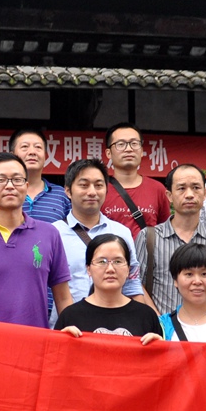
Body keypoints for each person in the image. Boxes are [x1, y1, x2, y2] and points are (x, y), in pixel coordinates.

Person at [0, 152, 73, 328]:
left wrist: (72, 329)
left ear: (26, 186)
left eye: (17, 180)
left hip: (34, 339)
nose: (10, 186)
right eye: (0, 180)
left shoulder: (49, 234)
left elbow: (63, 296)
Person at [53, 158, 153, 315]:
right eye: (84, 185)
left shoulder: (121, 232)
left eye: (98, 185)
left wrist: (143, 320)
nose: (92, 192)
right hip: (67, 325)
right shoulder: (53, 233)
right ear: (68, 191)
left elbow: (132, 285)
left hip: (115, 324)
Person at [135, 163, 206, 315]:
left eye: (196, 187)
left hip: (205, 325)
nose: (189, 194)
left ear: (205, 193)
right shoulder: (149, 237)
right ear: (169, 196)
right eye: (181, 188)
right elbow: (135, 284)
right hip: (161, 326)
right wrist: (160, 321)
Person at [54, 234, 161, 337]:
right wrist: (63, 340)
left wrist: (157, 344)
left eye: (118, 261)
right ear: (88, 269)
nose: (110, 269)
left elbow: (159, 349)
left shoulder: (146, 316)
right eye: (102, 262)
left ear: (128, 269)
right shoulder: (70, 316)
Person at [0, 128, 71, 224]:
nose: (32, 152)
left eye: (38, 147)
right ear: (12, 155)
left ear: (45, 156)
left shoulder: (61, 195)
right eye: (25, 146)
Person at [100, 122, 171, 237]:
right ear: (108, 153)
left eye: (134, 143)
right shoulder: (99, 189)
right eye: (121, 144)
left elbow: (166, 232)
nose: (129, 149)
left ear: (142, 151)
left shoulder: (157, 189)